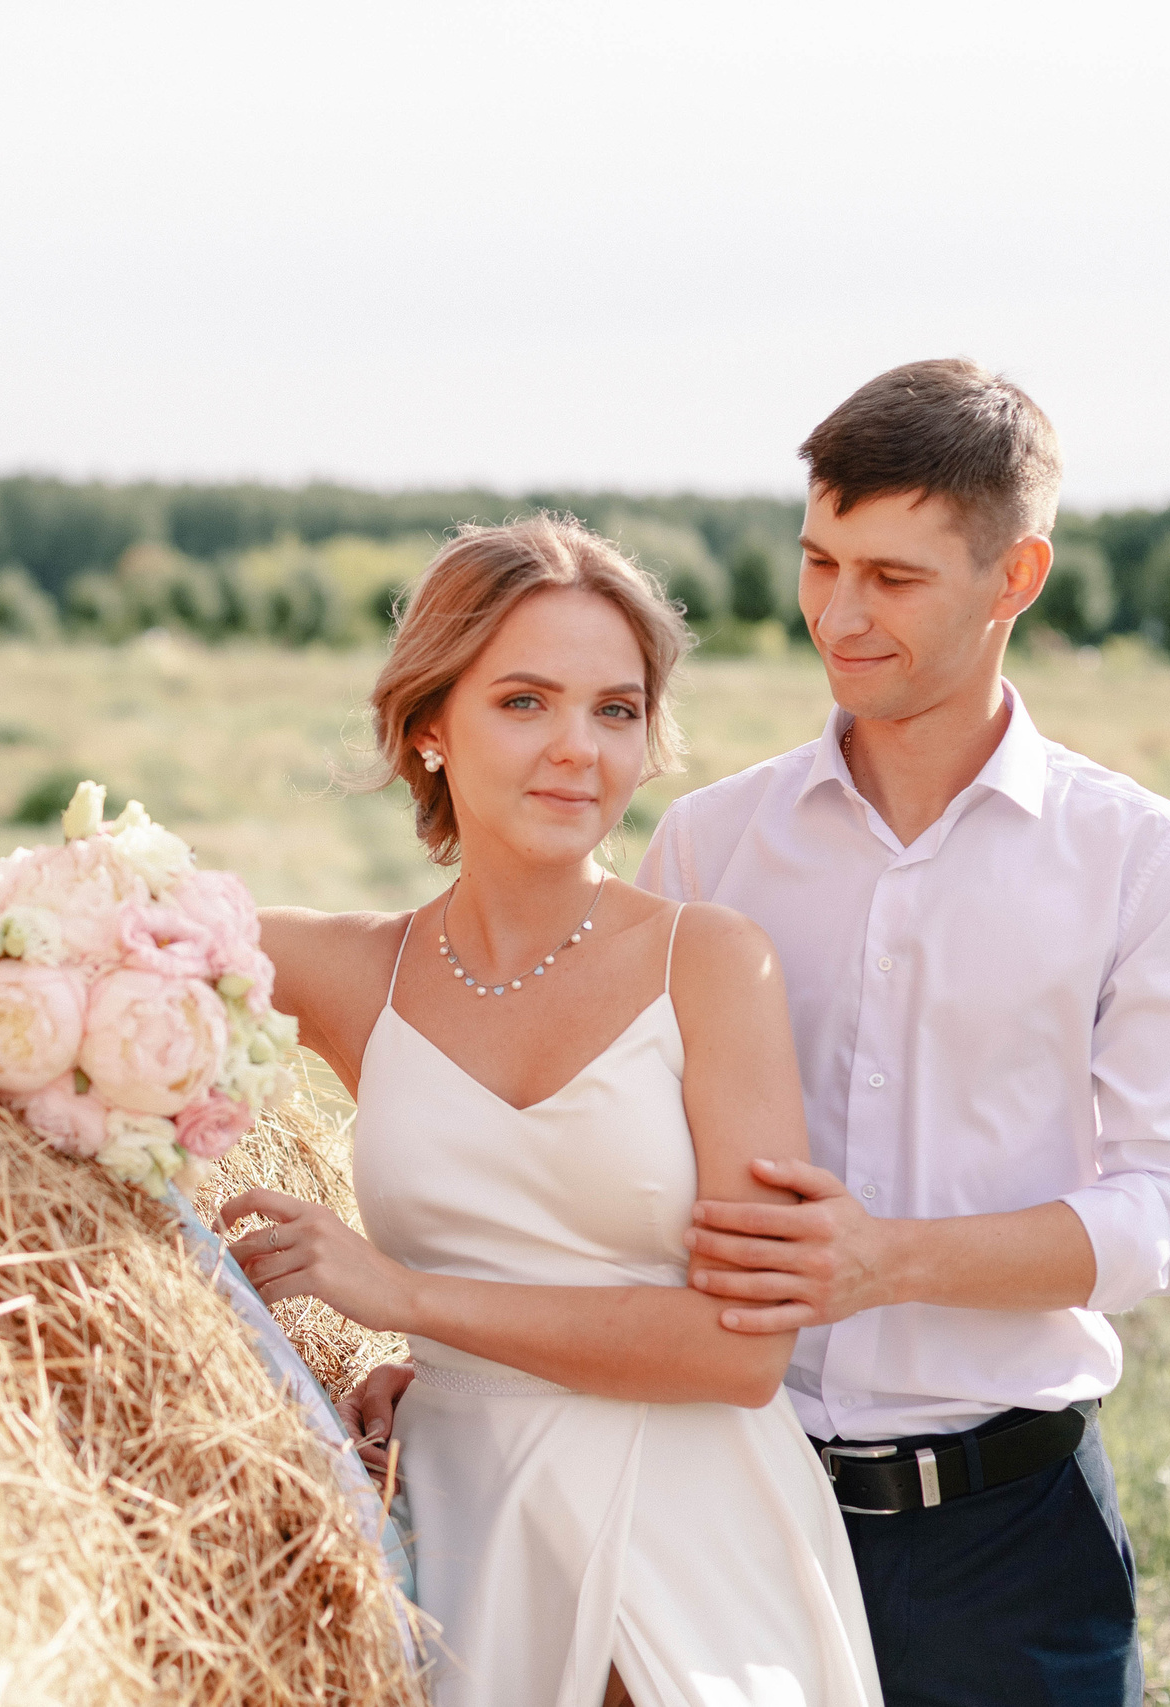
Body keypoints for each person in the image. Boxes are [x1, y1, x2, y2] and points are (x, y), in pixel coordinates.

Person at [347, 360, 1170, 1705]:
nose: (838, 611)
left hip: (1007, 1533)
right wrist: (447, 1365)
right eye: (819, 559)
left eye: (893, 577)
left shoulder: (1145, 864)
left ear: (1016, 577)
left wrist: (887, 1258)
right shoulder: (711, 840)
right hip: (711, 1500)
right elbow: (603, 1149)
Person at [225, 515, 882, 1707]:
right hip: (462, 1524)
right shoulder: (347, 969)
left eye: (615, 710)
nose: (577, 749)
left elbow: (741, 1353)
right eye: (524, 702)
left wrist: (407, 1303)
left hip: (689, 1526)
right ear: (429, 726)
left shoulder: (713, 965)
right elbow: (59, 945)